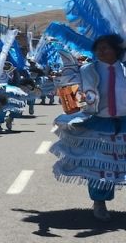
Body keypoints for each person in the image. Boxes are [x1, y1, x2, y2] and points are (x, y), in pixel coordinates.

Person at [51, 34, 126, 222]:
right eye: (98, 47)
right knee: (99, 165)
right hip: (98, 122)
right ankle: (99, 202)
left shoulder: (124, 70)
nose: (101, 51)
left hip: (124, 122)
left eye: (106, 47)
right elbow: (69, 94)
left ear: (117, 50)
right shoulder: (87, 70)